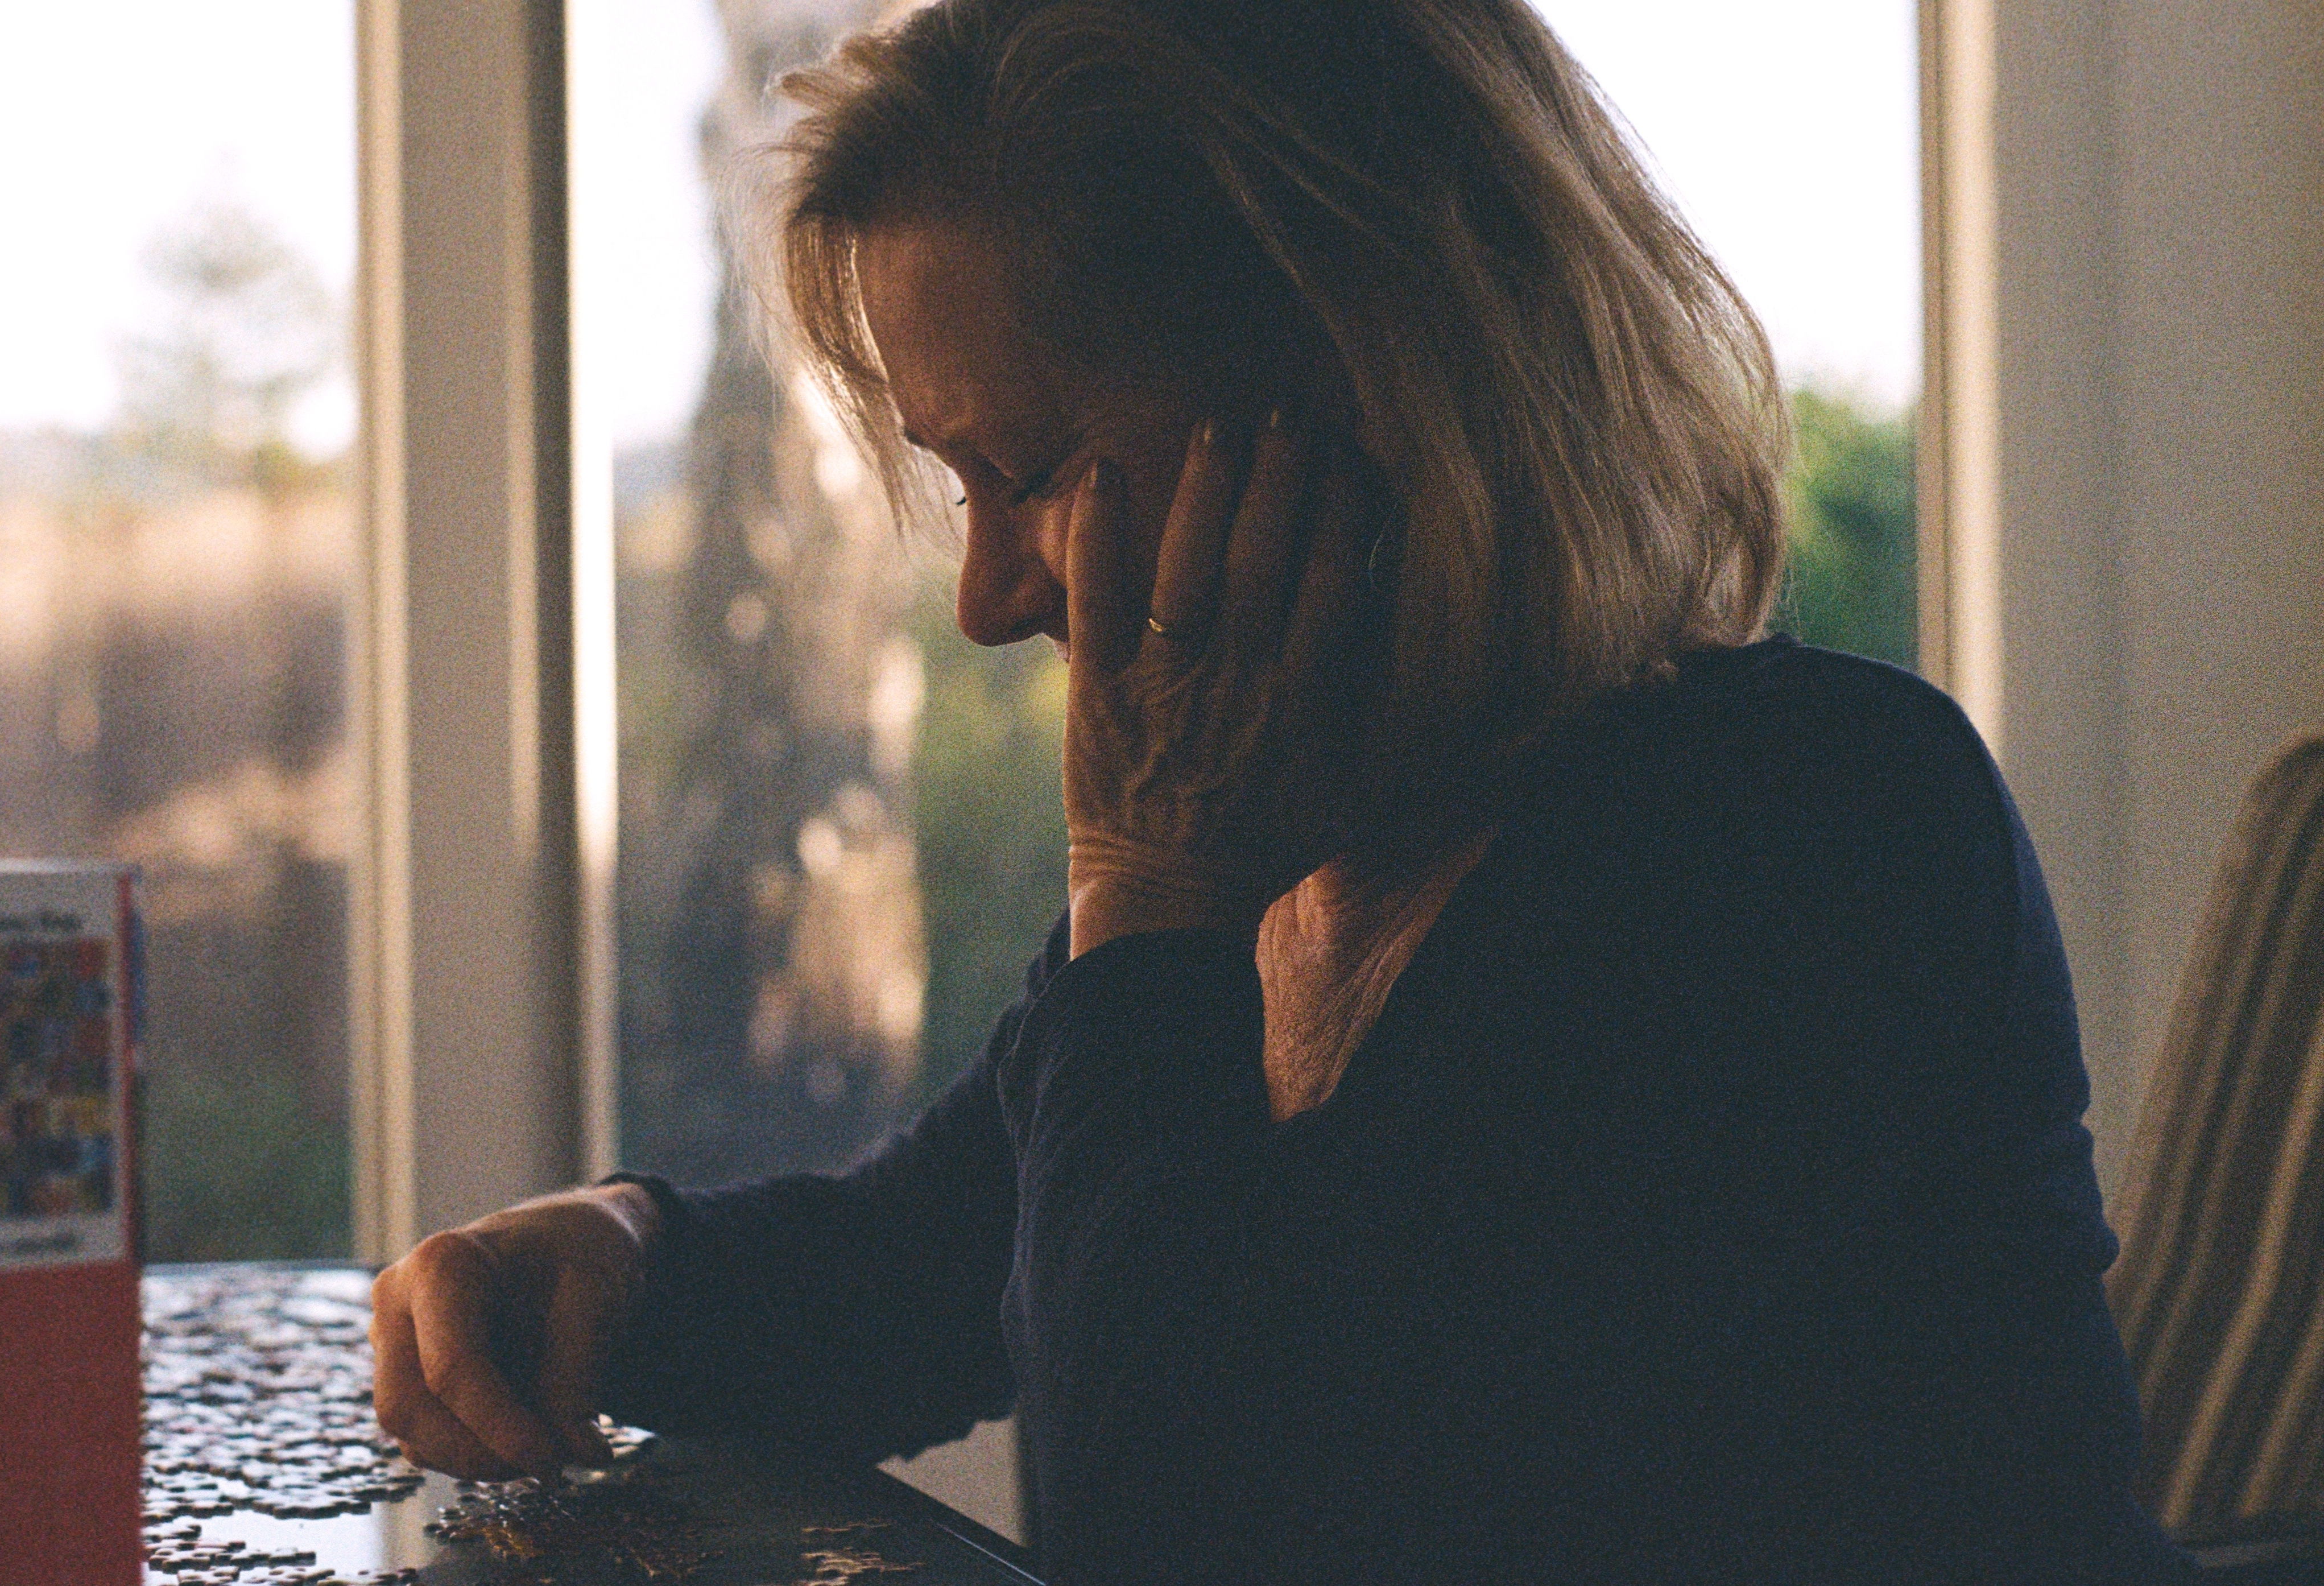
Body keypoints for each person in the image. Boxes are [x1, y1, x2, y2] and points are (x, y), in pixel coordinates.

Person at [368, 1, 2192, 1581]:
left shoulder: (1808, 839)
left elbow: (1185, 1533)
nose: (993, 597)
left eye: (1036, 471)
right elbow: (935, 1252)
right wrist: (623, 1256)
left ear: (1365, 387)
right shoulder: (1305, 855)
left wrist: (1147, 882)